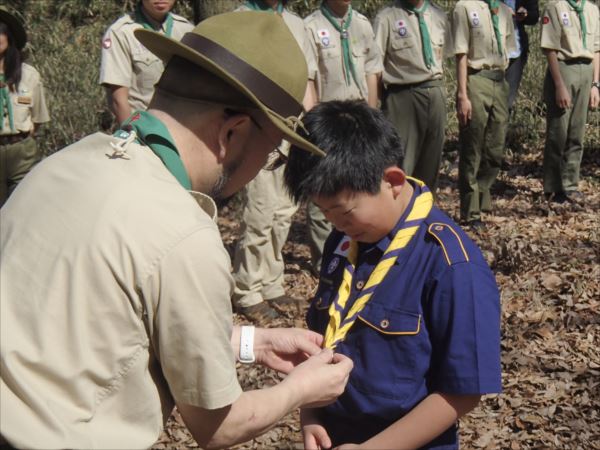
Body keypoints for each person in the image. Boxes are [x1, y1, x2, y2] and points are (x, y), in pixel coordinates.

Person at [0, 12, 353, 449]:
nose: (263, 166)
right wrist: (301, 389)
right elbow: (219, 426)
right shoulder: (182, 234)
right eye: (270, 155)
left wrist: (251, 343)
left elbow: (102, 322)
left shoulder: (61, 166)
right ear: (232, 132)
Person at [283, 100, 502, 450]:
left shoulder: (451, 265)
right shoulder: (345, 241)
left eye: (343, 211)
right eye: (324, 213)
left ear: (393, 181)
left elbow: (463, 392)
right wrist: (310, 415)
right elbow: (325, 335)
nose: (335, 224)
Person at [231, 0, 319, 322]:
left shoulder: (297, 23)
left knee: (284, 211)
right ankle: (247, 288)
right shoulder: (241, 19)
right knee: (260, 210)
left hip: (291, 127)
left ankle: (271, 281)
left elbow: (307, 79)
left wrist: (312, 125)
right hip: (257, 127)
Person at [303, 0, 384, 274]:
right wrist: (316, 126)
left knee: (358, 189)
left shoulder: (362, 23)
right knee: (325, 192)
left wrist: (372, 116)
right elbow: (309, 79)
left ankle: (357, 251)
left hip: (359, 119)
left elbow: (373, 71)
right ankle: (325, 260)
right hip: (330, 121)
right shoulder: (311, 26)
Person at [374, 0, 453, 193]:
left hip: (435, 91)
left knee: (431, 163)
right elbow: (374, 67)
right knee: (399, 163)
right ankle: (397, 218)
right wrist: (375, 107)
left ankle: (424, 214)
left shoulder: (438, 16)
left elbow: (445, 57)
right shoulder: (386, 18)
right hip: (401, 97)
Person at [453, 0, 517, 229]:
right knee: (473, 146)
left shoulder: (502, 11)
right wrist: (463, 94)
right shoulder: (465, 7)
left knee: (495, 147)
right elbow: (461, 54)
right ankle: (470, 211)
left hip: (499, 81)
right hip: (475, 79)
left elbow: (509, 49)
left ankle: (483, 198)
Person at [540, 0, 600, 204]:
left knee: (577, 133)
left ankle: (571, 183)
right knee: (559, 132)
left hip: (587, 71)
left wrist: (595, 84)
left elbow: (597, 49)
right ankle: (553, 187)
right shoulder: (556, 7)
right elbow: (550, 50)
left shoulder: (592, 10)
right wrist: (559, 85)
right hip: (565, 69)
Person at [99, 0, 193, 125]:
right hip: (145, 128)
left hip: (184, 126)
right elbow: (118, 100)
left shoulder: (187, 30)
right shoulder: (122, 32)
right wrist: (134, 135)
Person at [0, 7, 49, 207]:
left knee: (22, 208)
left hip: (21, 153)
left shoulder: (29, 75)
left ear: (8, 37)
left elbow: (38, 118)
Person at [502, 0, 540, 112]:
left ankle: (502, 126)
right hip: (491, 52)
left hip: (516, 51)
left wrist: (525, 14)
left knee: (507, 101)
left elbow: (534, 15)